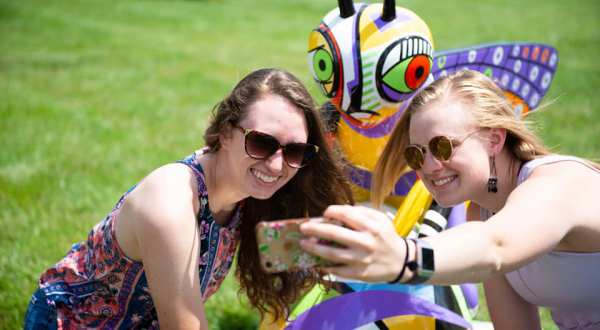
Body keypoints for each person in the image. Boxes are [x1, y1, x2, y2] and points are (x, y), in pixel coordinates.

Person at [24, 68, 353, 329]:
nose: (278, 164)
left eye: (295, 150)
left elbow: (301, 255)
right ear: (225, 131)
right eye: (262, 143)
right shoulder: (171, 203)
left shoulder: (250, 190)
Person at [300, 70, 600, 330]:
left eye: (444, 146)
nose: (429, 167)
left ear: (494, 139)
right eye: (416, 154)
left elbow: (495, 246)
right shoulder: (482, 215)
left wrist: (405, 258)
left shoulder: (557, 185)